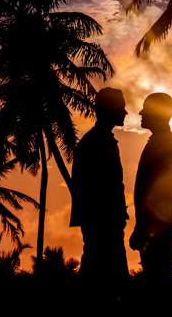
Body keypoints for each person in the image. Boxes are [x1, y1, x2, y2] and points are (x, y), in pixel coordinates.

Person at [70, 87, 129, 289]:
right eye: (122, 107)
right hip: (103, 221)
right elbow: (102, 186)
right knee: (104, 276)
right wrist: (113, 215)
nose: (125, 112)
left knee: (98, 273)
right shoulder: (98, 141)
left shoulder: (97, 140)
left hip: (102, 220)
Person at [129, 92, 172, 281]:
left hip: (156, 226)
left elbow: (158, 193)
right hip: (155, 225)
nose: (141, 113)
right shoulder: (161, 143)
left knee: (157, 280)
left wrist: (144, 227)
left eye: (147, 109)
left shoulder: (164, 145)